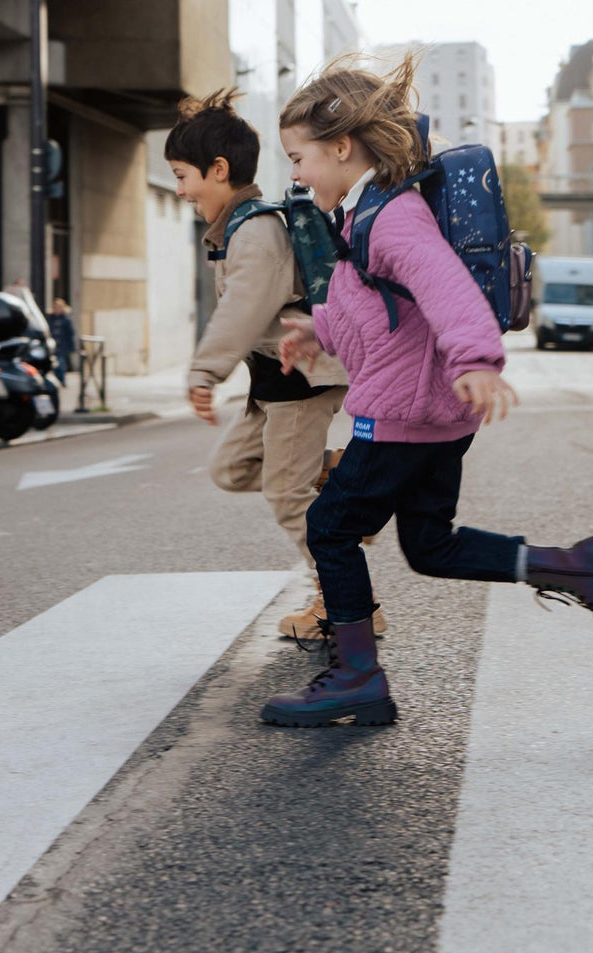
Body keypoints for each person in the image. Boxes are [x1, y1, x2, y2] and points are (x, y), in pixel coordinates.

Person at [263, 54, 593, 728]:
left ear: (341, 147)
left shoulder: (392, 217)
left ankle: (356, 675)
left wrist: (474, 356)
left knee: (329, 525)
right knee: (430, 546)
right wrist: (318, 328)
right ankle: (581, 567)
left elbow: (442, 285)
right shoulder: (367, 212)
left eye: (298, 157)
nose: (294, 173)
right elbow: (383, 314)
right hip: (433, 416)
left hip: (402, 416)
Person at [166, 88, 386, 641]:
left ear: (218, 170)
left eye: (182, 174)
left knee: (289, 498)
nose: (180, 189)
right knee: (232, 469)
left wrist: (204, 371)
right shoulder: (236, 230)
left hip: (301, 377)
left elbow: (243, 311)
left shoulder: (255, 233)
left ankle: (344, 604)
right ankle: (335, 477)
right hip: (274, 383)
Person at [47, 297, 77, 386]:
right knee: (54, 364)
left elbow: (70, 334)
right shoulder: (50, 318)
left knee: (61, 364)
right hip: (53, 345)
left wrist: (71, 346)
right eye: (55, 307)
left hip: (62, 345)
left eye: (59, 307)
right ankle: (57, 381)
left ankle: (62, 381)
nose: (57, 309)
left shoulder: (66, 319)